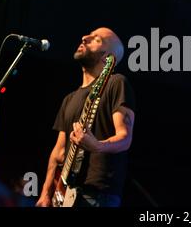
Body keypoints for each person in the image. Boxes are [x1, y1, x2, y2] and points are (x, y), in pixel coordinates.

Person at [36, 27, 135, 207]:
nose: (84, 38)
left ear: (108, 58)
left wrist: (97, 145)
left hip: (97, 195)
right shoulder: (69, 99)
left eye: (96, 39)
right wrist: (45, 193)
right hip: (65, 195)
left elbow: (125, 138)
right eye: (89, 35)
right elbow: (59, 152)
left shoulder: (116, 83)